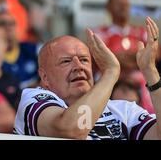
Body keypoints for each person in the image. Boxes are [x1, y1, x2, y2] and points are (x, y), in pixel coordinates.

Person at [14, 17, 161, 140]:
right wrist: (110, 73)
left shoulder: (123, 110)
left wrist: (150, 71)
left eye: (84, 60)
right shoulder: (32, 99)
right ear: (44, 77)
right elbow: (72, 131)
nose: (79, 66)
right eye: (66, 61)